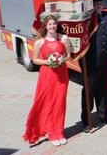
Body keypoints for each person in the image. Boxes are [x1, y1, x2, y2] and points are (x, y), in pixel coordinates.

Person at [23, 14, 71, 147]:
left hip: (61, 75)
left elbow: (68, 56)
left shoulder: (64, 39)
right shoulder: (40, 42)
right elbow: (35, 59)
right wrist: (48, 61)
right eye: (49, 24)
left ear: (57, 25)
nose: (52, 26)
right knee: (49, 104)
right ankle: (52, 133)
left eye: (54, 24)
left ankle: (59, 132)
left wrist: (61, 59)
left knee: (60, 104)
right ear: (45, 26)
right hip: (47, 75)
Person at [82, 8, 107, 131]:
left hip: (106, 60)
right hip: (91, 62)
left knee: (103, 89)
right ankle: (87, 121)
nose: (98, 5)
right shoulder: (86, 18)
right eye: (96, 3)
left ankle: (105, 116)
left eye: (100, 3)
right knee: (89, 91)